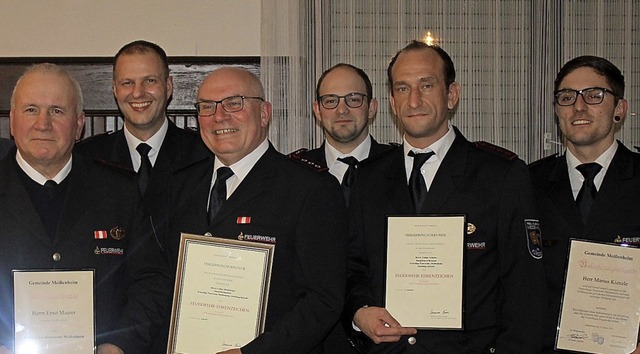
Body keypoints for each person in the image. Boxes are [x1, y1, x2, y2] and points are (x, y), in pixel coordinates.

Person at [345, 41, 545, 353]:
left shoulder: (500, 175)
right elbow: (353, 267)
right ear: (391, 102)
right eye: (402, 88)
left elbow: (525, 291)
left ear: (451, 95)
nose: (414, 100)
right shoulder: (368, 178)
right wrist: (359, 312)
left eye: (427, 85)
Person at [167, 67, 347, 353]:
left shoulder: (310, 189)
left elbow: (324, 300)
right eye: (206, 107)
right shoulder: (179, 186)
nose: (219, 116)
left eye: (234, 103)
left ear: (264, 113)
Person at [0, 63, 171, 354]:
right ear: (12, 121)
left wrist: (120, 345)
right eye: (31, 110)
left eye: (57, 110)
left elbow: (150, 282)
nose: (43, 123)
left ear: (79, 124)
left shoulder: (119, 191)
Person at [529, 55, 640, 353]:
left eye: (594, 95)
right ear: (556, 110)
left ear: (620, 109)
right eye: (567, 97)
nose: (579, 106)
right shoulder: (528, 183)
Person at [75, 39, 210, 252]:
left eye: (150, 81)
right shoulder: (87, 158)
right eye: (127, 82)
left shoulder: (204, 156)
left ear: (168, 86)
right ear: (115, 90)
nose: (138, 93)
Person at [293, 63, 391, 188]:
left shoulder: (400, 166)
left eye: (353, 99)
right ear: (317, 111)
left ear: (371, 108)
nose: (342, 110)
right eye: (331, 101)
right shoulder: (295, 172)